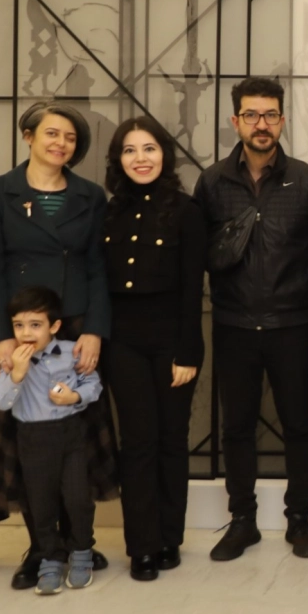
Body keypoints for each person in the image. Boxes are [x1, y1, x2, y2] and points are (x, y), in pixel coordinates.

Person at [0, 100, 115, 591]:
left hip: (72, 327)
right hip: (21, 330)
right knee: (28, 445)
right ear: (29, 136)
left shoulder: (90, 195)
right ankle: (41, 547)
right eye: (52, 133)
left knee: (76, 440)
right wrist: (1, 335)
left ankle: (79, 542)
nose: (61, 144)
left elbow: (97, 266)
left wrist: (94, 329)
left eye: (70, 138)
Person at [195, 77, 308, 563]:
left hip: (293, 324)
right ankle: (242, 520)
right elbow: (198, 253)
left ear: (282, 120)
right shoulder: (213, 182)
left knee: (299, 424)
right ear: (236, 121)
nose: (261, 124)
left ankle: (300, 518)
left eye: (270, 115)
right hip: (233, 323)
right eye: (251, 115)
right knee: (236, 427)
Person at [100, 117, 205, 582]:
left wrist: (189, 352)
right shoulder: (108, 212)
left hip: (172, 341)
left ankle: (169, 538)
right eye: (130, 150)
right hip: (123, 342)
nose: (140, 158)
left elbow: (192, 289)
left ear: (164, 155)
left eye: (149, 149)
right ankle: (141, 545)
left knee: (171, 441)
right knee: (137, 442)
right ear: (118, 159)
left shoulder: (186, 211)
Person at [0, 286, 104, 595]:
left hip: (70, 433)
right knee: (41, 503)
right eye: (19, 325)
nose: (26, 333)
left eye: (35, 325)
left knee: (78, 499)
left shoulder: (71, 351)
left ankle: (82, 551)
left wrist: (75, 396)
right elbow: (0, 401)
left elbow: (93, 383)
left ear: (54, 326)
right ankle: (50, 557)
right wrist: (17, 374)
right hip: (33, 438)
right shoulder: (7, 360)